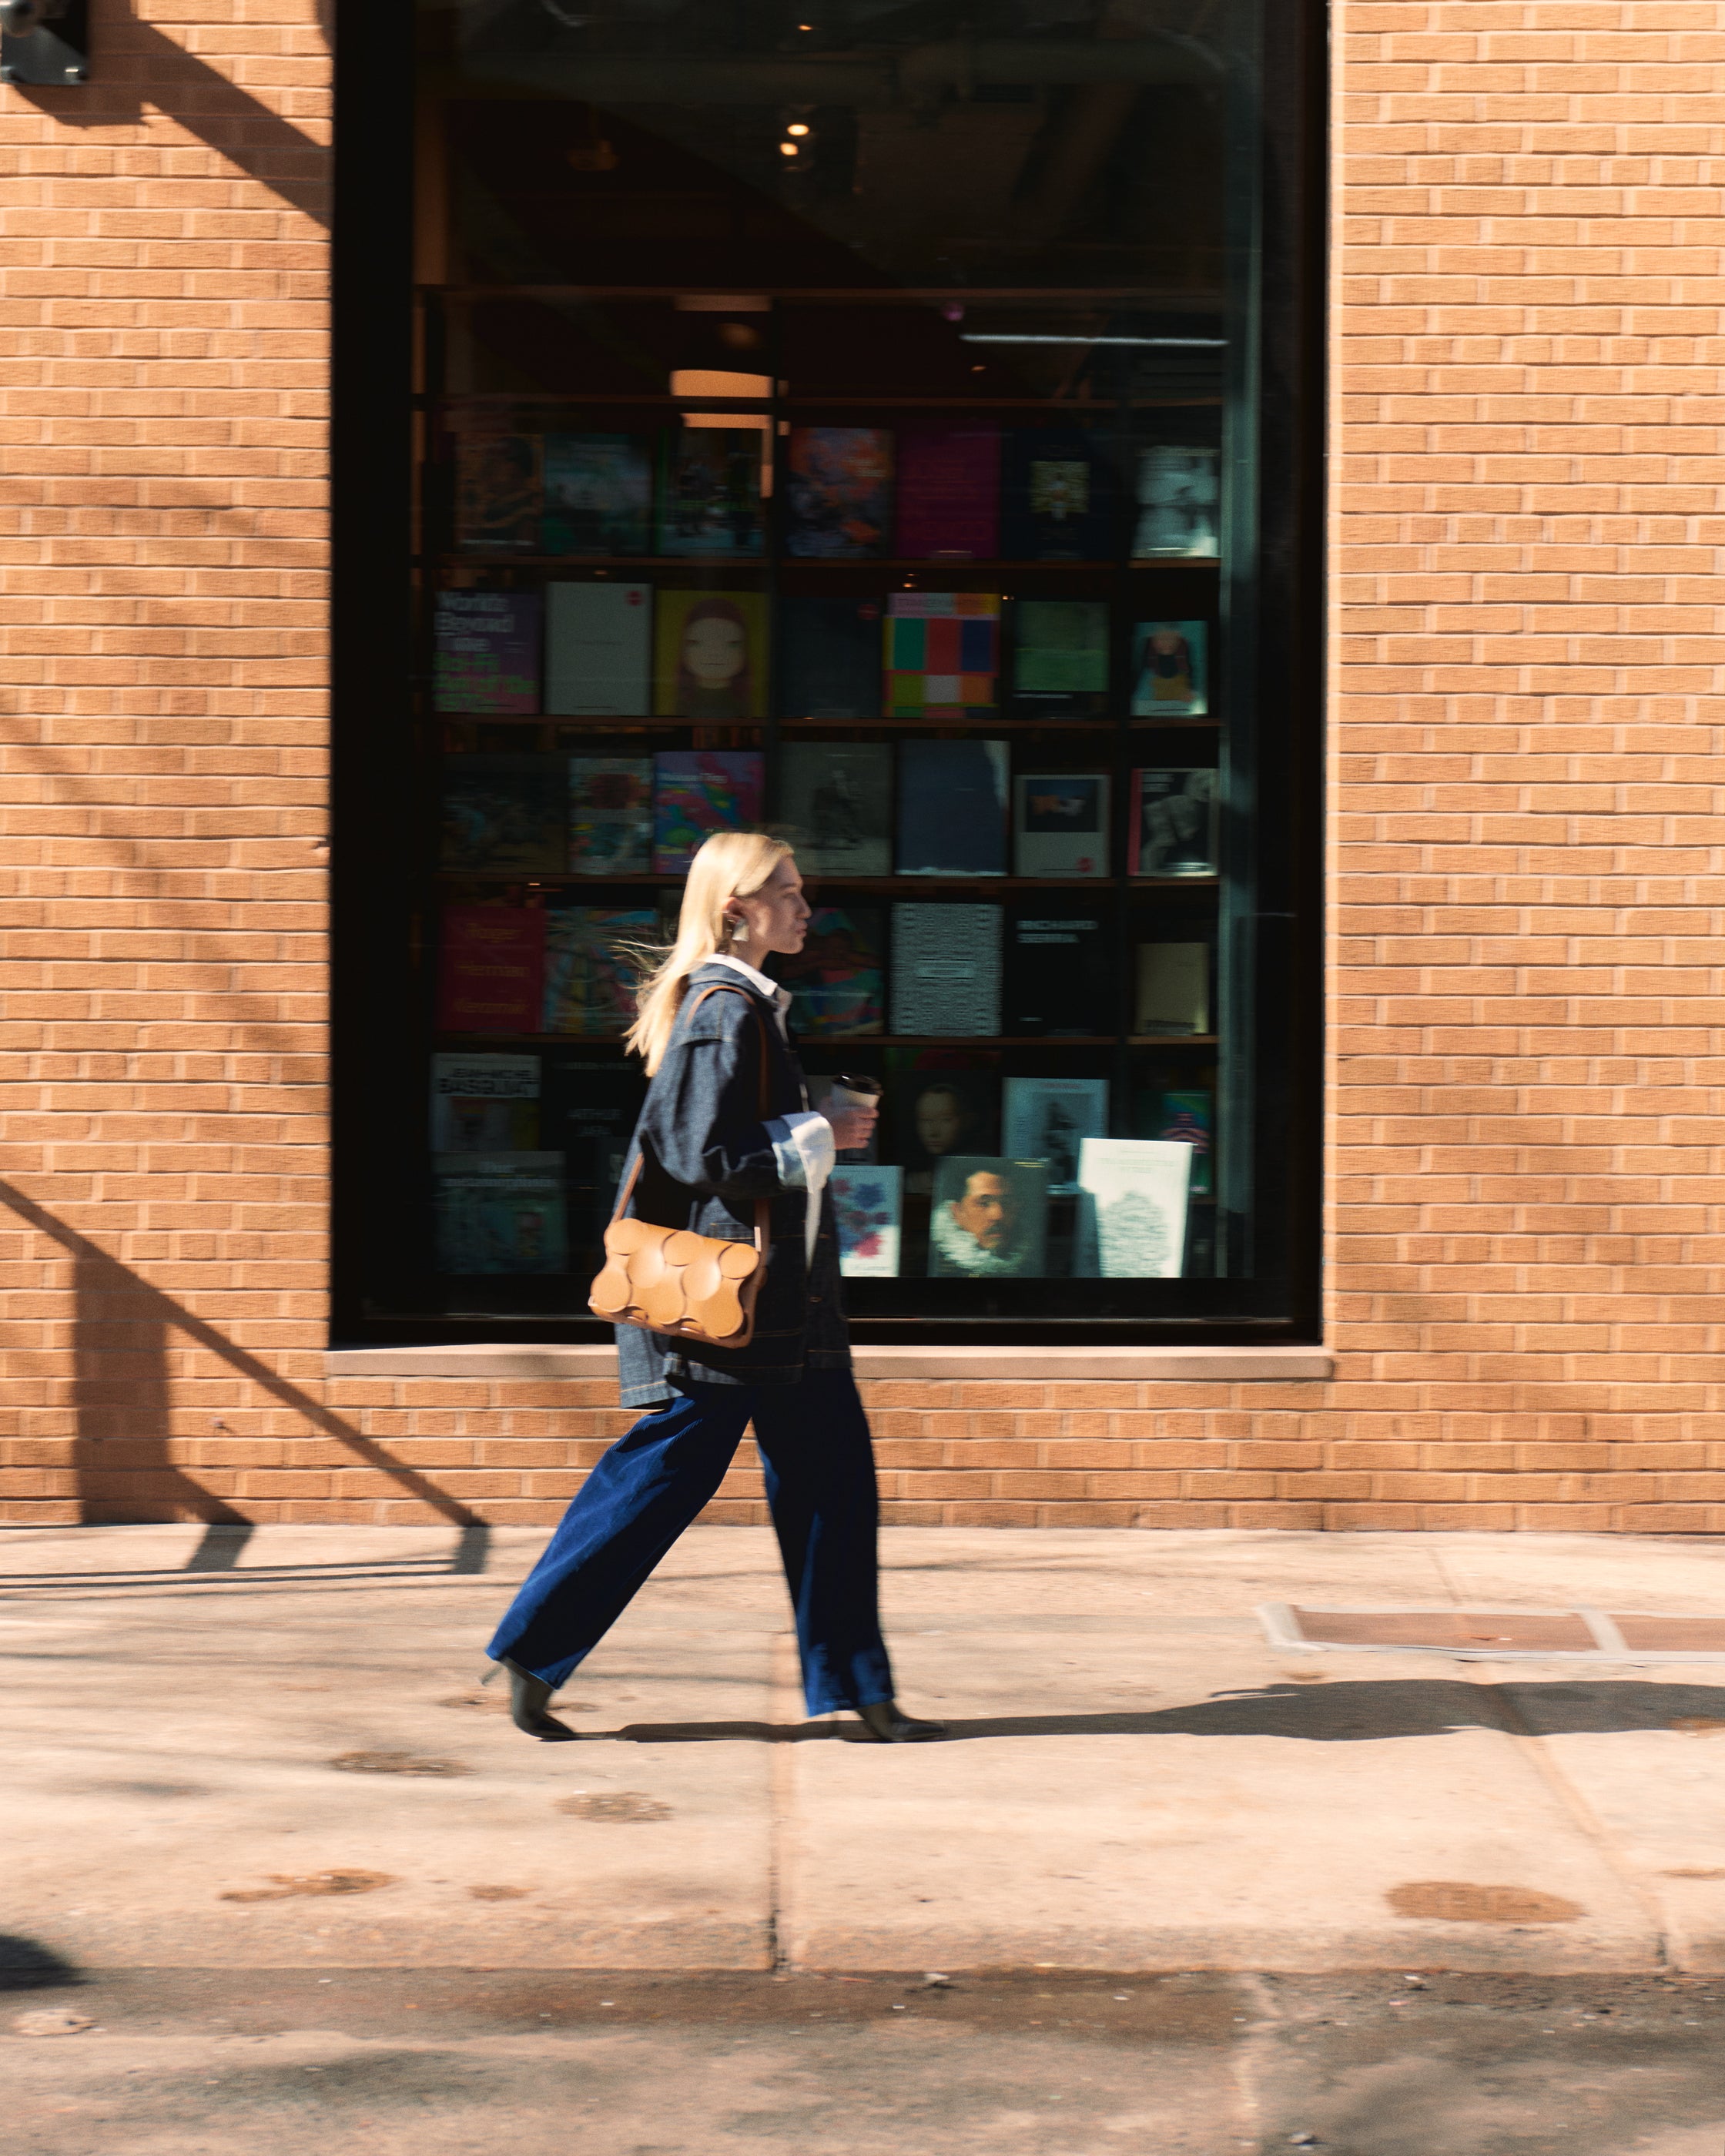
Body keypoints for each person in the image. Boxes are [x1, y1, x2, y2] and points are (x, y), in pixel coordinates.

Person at [485, 829, 943, 1746]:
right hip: (734, 1317)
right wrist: (819, 1126)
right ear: (737, 906)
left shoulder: (747, 1006)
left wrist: (813, 1108)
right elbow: (706, 1154)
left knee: (832, 1488)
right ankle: (533, 1652)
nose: (807, 908)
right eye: (789, 891)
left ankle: (862, 1691)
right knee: (659, 1478)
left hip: (783, 1310)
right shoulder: (722, 1007)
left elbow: (727, 1128)